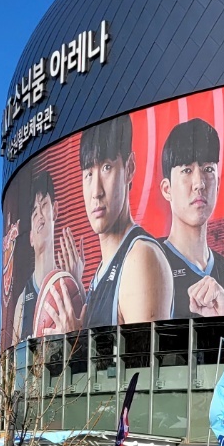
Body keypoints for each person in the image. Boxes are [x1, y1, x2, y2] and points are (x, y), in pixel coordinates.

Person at [60, 114, 173, 326]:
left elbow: (144, 349)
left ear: (129, 168)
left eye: (106, 167)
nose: (96, 192)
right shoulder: (102, 271)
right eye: (88, 173)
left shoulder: (141, 258)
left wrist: (73, 342)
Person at [157, 119, 224, 317]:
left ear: (217, 184)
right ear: (167, 189)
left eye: (208, 169)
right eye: (187, 170)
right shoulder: (148, 267)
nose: (199, 183)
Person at [10, 169, 85, 341]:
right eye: (35, 213)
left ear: (55, 210)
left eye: (44, 205)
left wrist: (78, 286)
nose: (40, 217)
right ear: (30, 237)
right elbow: (15, 354)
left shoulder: (71, 285)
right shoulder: (22, 301)